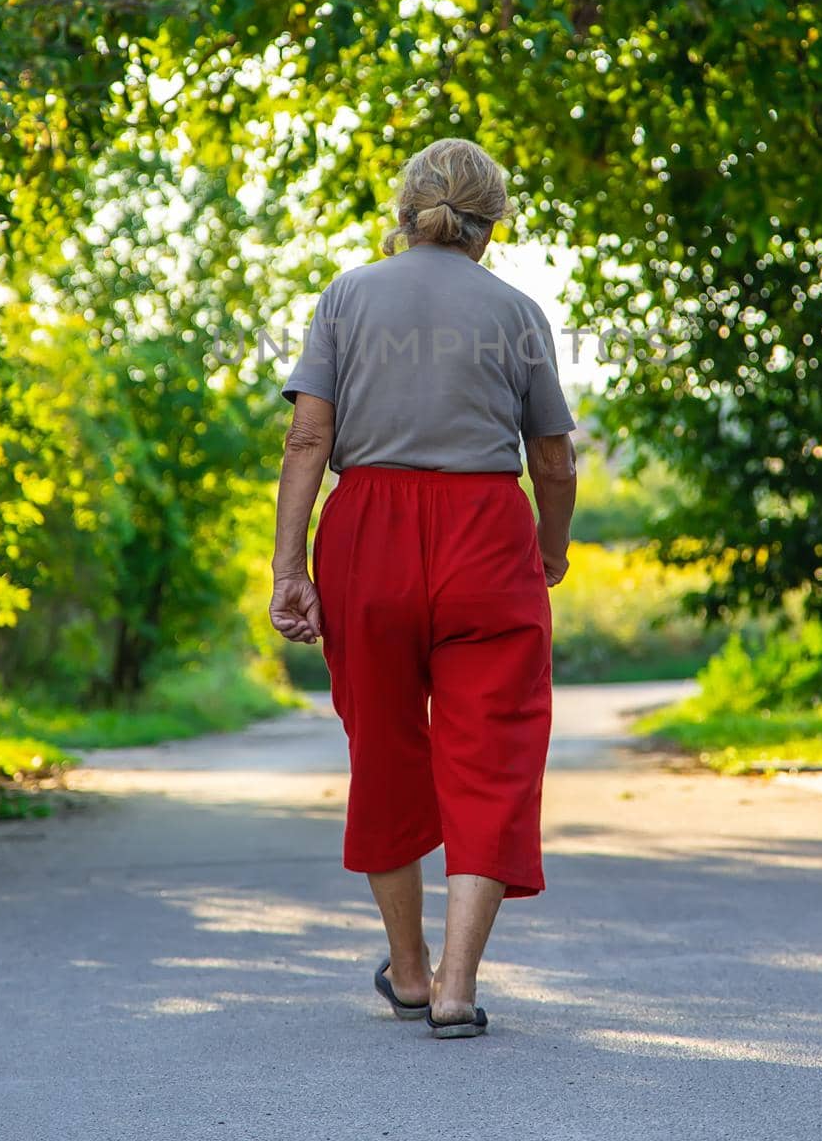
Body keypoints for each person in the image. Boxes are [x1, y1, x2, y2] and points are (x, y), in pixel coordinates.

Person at [268, 137, 577, 1039]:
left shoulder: (347, 295)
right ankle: (456, 987)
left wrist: (290, 569)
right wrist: (547, 552)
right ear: (493, 223)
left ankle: (406, 970)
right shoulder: (517, 310)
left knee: (388, 754)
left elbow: (306, 444)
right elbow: (551, 459)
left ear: (405, 211)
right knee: (494, 757)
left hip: (368, 534)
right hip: (486, 536)